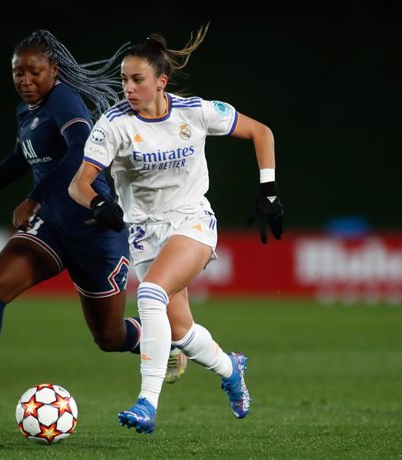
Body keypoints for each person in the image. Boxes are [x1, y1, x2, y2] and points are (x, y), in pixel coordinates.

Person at [0, 30, 187, 431]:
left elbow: (80, 147)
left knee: (109, 336)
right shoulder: (27, 112)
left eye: (34, 72)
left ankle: (161, 342)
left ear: (55, 71)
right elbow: (20, 158)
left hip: (95, 232)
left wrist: (33, 197)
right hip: (52, 228)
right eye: (18, 72)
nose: (25, 80)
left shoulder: (64, 100)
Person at [69, 24, 284, 434]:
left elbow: (262, 132)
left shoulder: (195, 111)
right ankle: (230, 368)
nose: (128, 88)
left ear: (160, 81)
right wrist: (99, 203)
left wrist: (269, 190)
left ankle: (146, 403)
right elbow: (78, 183)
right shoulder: (112, 125)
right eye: (123, 80)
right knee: (181, 330)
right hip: (145, 234)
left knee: (149, 293)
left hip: (192, 221)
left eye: (137, 80)